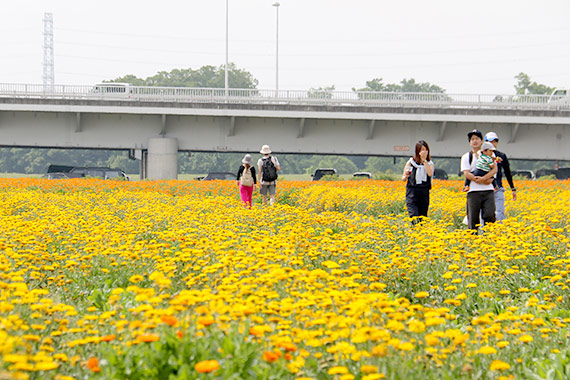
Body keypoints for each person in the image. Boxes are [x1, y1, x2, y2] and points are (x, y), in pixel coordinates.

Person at [461, 129, 497, 230]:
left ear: (482, 141)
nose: (475, 141)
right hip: (473, 191)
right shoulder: (466, 157)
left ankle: (489, 239)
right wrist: (478, 180)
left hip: (488, 190)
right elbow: (466, 173)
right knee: (473, 219)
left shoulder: (490, 154)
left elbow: (494, 169)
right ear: (469, 142)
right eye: (472, 139)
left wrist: (484, 179)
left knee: (490, 215)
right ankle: (473, 240)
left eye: (477, 138)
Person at [484, 132, 517, 221]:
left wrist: (513, 189)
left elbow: (507, 173)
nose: (493, 144)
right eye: (491, 141)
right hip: (485, 189)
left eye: (495, 141)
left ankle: (498, 232)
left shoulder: (501, 156)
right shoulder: (481, 156)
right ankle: (484, 234)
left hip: (498, 189)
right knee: (485, 214)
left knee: (499, 213)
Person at [402, 140, 434, 224]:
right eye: (422, 150)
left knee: (423, 217)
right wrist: (406, 175)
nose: (424, 152)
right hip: (412, 192)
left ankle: (420, 233)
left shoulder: (430, 163)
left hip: (424, 192)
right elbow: (403, 178)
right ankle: (414, 231)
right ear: (418, 151)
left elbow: (430, 173)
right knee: (413, 215)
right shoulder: (411, 162)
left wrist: (424, 161)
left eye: (425, 150)